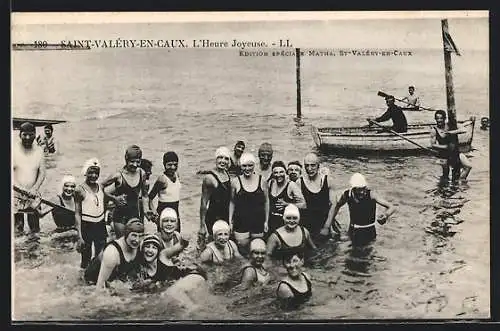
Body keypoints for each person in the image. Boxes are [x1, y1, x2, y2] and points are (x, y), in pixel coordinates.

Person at [326, 173, 396, 247]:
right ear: (353, 188)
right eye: (359, 189)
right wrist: (331, 222)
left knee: (368, 254)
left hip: (369, 231)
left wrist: (386, 215)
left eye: (363, 188)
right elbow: (337, 206)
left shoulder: (371, 195)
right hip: (353, 230)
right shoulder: (347, 195)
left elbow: (391, 207)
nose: (362, 192)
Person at [101, 145, 152, 238]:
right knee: (122, 243)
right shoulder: (118, 175)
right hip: (120, 217)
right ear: (126, 160)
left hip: (135, 214)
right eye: (132, 162)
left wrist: (146, 210)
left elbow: (144, 195)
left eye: (138, 162)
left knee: (135, 244)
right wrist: (114, 199)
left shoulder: (142, 173)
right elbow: (100, 187)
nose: (135, 165)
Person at [85, 218, 144, 288]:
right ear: (126, 235)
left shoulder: (140, 245)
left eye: (140, 236)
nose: (137, 240)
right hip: (93, 282)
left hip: (116, 277)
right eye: (134, 235)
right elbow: (100, 287)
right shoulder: (112, 252)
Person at [228, 152, 270, 253]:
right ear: (240, 166)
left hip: (258, 221)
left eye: (250, 165)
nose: (247, 169)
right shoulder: (235, 181)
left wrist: (266, 221)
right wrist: (230, 221)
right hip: (240, 222)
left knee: (258, 250)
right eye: (244, 166)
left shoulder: (262, 180)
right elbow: (232, 202)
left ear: (254, 165)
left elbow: (266, 201)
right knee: (242, 251)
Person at [13, 122, 46, 236]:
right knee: (18, 228)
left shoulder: (39, 151)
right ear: (20, 135)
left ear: (35, 135)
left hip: (33, 194)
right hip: (16, 195)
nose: (27, 137)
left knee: (35, 228)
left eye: (31, 135)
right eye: (24, 135)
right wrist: (20, 189)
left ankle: (33, 252)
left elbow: (42, 173)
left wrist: (35, 188)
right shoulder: (12, 149)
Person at [74, 158, 107, 269]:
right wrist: (79, 236)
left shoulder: (101, 187)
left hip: (100, 225)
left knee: (101, 255)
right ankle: (82, 281)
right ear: (85, 173)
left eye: (96, 173)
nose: (93, 175)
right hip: (87, 225)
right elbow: (77, 214)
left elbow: (104, 202)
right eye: (91, 172)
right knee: (86, 258)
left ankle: (97, 277)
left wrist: (116, 200)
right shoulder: (79, 190)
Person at [299, 153, 338, 239]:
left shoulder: (328, 180)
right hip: (306, 224)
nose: (309, 169)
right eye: (307, 166)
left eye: (313, 165)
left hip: (324, 223)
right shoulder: (299, 182)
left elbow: (334, 205)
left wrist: (327, 227)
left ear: (318, 166)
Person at [199, 147, 231, 246]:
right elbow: (203, 203)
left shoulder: (226, 173)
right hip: (213, 217)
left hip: (225, 215)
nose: (223, 161)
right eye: (220, 157)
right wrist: (202, 226)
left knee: (224, 245)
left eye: (226, 158)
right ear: (215, 159)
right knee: (213, 245)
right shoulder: (209, 178)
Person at [430, 110, 472, 181]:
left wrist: (451, 132)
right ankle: (444, 187)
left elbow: (464, 130)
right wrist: (445, 147)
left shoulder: (450, 125)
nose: (439, 120)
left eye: (441, 118)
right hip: (444, 154)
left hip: (455, 152)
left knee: (468, 166)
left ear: (444, 118)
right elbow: (432, 145)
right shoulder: (434, 130)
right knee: (446, 175)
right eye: (437, 118)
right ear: (435, 119)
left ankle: (460, 181)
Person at [267, 161, 306, 235]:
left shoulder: (291, 185)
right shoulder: (271, 183)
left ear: (286, 172)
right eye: (276, 172)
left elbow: (303, 205)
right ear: (272, 173)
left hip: (285, 222)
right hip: (271, 220)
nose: (278, 175)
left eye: (281, 172)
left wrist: (287, 204)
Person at [148, 151, 182, 232]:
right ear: (164, 164)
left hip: (175, 212)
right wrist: (154, 214)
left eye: (175, 164)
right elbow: (150, 198)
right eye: (169, 165)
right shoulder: (162, 179)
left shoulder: (177, 175)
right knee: (163, 239)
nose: (173, 167)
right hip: (163, 213)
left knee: (177, 237)